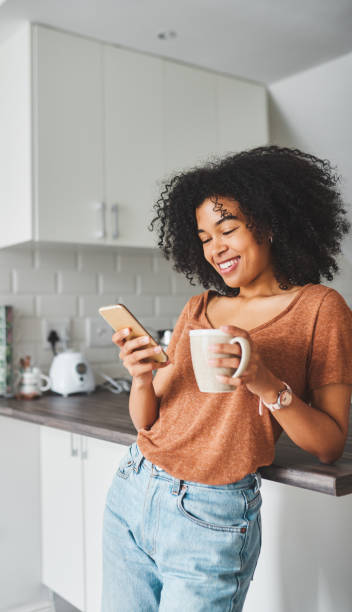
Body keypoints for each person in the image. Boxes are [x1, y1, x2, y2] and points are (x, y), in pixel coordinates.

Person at [101, 145, 352, 611]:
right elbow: (148, 420)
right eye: (203, 237)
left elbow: (329, 444)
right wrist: (140, 379)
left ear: (270, 223)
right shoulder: (198, 307)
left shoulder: (321, 309)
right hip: (134, 485)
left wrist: (261, 379)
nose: (215, 248)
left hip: (211, 513)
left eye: (228, 229)